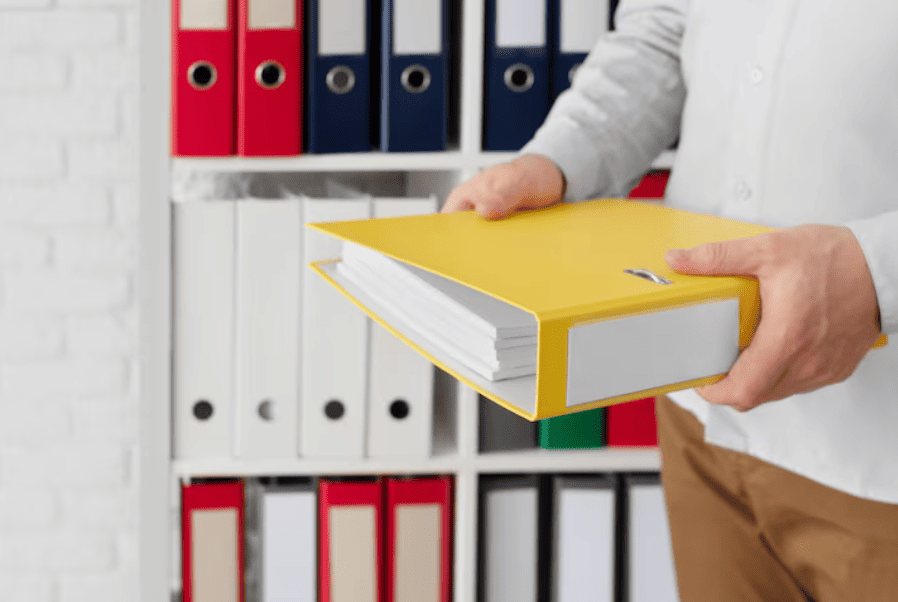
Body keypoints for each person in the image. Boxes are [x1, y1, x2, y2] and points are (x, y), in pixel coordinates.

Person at [443, 0, 898, 599]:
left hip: (878, 444)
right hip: (700, 414)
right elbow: (662, 27)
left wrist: (879, 272)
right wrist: (559, 160)